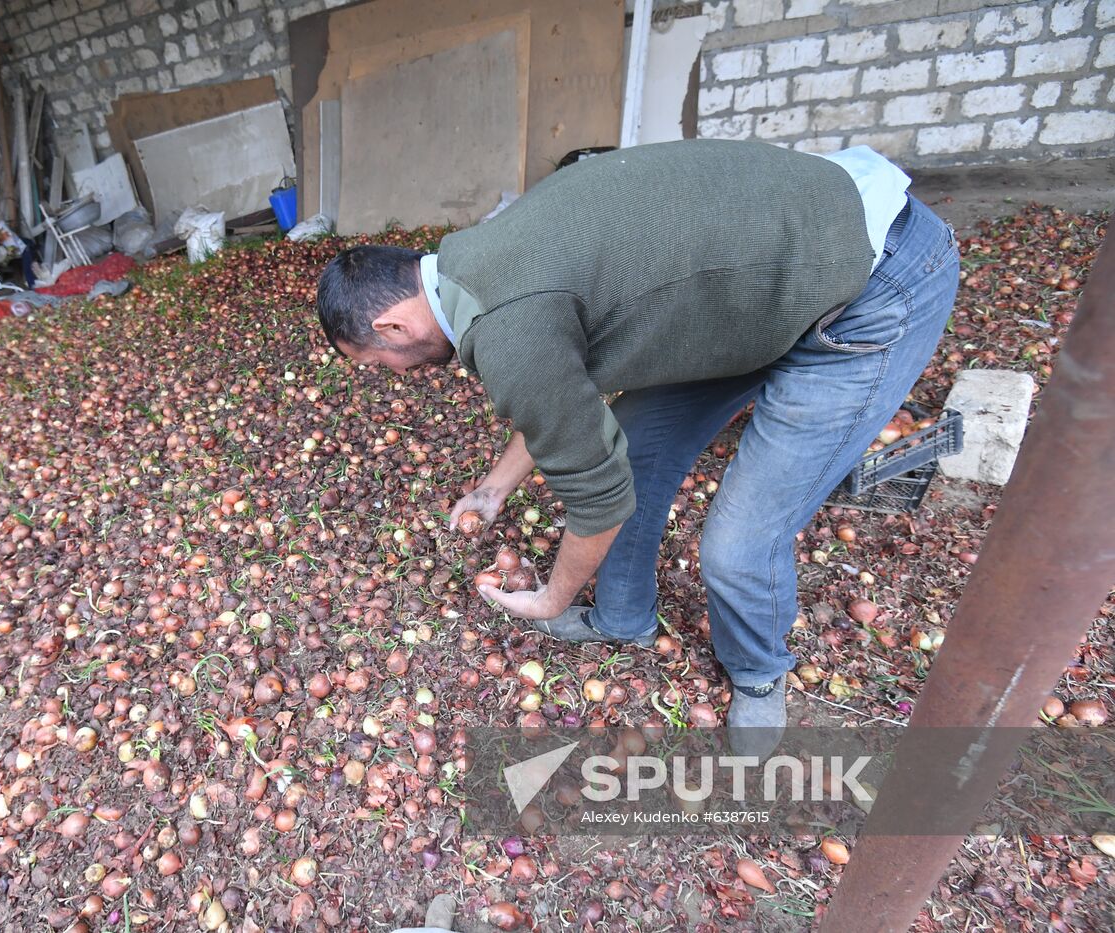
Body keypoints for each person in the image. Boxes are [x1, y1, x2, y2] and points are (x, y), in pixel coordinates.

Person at [314, 140, 958, 743]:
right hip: (755, 288)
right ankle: (622, 618)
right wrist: (493, 488)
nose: (390, 378)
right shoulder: (473, 261)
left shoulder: (506, 327)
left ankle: (760, 673)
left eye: (375, 363)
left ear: (391, 325)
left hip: (869, 283)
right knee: (639, 445)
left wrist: (552, 597)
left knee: (740, 542)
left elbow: (597, 497)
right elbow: (561, 394)